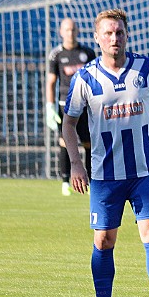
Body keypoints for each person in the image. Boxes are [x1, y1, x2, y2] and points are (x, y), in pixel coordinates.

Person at [63, 8, 149, 297]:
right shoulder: (85, 78)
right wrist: (76, 164)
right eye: (108, 33)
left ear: (126, 34)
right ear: (97, 38)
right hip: (105, 175)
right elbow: (69, 123)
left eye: (119, 32)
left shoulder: (146, 69)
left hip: (146, 170)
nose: (114, 38)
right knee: (104, 240)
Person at [46, 18, 96, 196]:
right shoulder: (56, 54)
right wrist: (50, 107)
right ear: (61, 32)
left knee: (89, 142)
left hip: (85, 105)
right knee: (65, 142)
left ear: (78, 31)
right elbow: (51, 82)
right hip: (65, 105)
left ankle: (91, 180)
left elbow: (95, 78)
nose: (70, 33)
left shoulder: (87, 53)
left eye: (73, 30)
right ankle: (65, 181)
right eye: (67, 30)